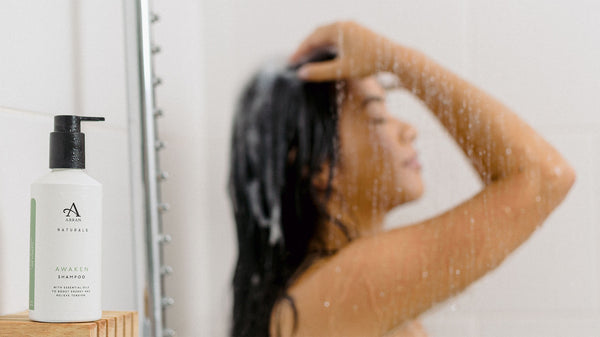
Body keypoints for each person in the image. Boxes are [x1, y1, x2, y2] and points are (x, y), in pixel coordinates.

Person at [228, 21, 576, 337]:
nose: (408, 130)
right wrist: (395, 59)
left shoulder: (331, 285)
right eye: (378, 115)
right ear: (318, 166)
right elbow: (543, 177)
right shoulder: (347, 284)